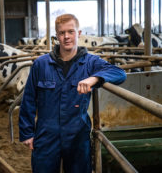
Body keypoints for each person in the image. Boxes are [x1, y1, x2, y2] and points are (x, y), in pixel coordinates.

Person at [19, 14, 127, 173]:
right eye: (62, 33)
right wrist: (27, 133)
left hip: (77, 135)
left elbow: (119, 73)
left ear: (79, 33)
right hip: (46, 134)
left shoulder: (90, 62)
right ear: (57, 36)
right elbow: (28, 99)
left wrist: (94, 78)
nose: (66, 37)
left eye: (71, 31)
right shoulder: (41, 64)